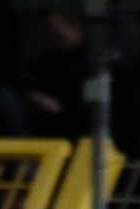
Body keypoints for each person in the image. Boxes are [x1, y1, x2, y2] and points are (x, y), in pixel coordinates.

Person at [18, 9, 89, 140]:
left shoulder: (91, 65)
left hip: (79, 138)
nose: (52, 42)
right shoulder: (40, 64)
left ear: (76, 29)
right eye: (48, 36)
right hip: (46, 137)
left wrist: (62, 110)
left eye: (57, 35)